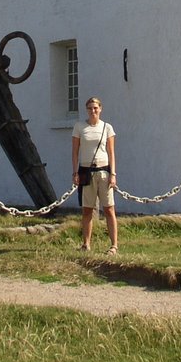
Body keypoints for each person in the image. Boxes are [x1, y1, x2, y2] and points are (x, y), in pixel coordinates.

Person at [71, 96, 118, 254]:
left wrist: (113, 174)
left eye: (95, 108)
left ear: (100, 109)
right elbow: (75, 151)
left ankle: (114, 245)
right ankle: (86, 243)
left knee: (109, 209)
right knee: (87, 210)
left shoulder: (107, 128)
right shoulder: (79, 127)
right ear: (87, 110)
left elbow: (111, 153)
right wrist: (75, 172)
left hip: (103, 171)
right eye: (90, 108)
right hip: (86, 171)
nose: (93, 111)